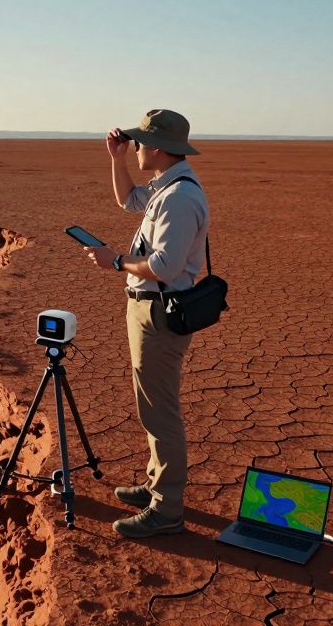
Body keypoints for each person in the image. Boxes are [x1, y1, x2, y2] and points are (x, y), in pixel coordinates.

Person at [83, 109, 210, 538]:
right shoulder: (166, 187)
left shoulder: (179, 197)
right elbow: (128, 200)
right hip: (147, 307)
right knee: (150, 406)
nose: (135, 147)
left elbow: (166, 265)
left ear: (157, 147)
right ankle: (157, 485)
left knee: (160, 412)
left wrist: (114, 261)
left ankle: (166, 508)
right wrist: (116, 158)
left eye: (138, 143)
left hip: (159, 310)